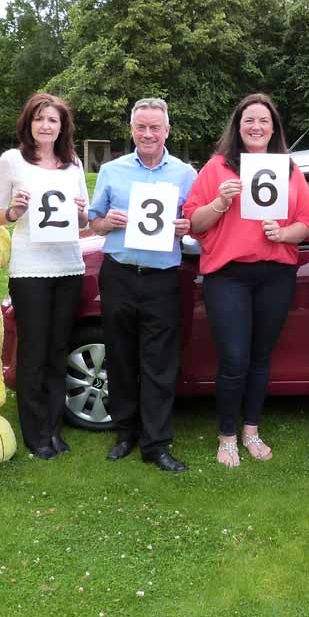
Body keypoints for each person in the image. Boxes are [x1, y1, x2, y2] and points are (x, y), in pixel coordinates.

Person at [184, 93, 309, 467]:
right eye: (249, 121)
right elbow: (194, 224)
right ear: (237, 128)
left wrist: (283, 233)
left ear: (274, 129)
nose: (256, 127)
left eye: (264, 121)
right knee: (234, 357)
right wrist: (220, 203)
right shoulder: (216, 168)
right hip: (228, 276)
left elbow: (306, 224)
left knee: (260, 358)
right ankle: (227, 436)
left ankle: (251, 429)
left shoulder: (288, 170)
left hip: (276, 274)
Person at [88, 98, 197, 473]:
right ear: (131, 129)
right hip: (119, 273)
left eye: (155, 127)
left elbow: (195, 224)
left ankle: (157, 443)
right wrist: (108, 222)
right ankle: (124, 434)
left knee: (159, 364)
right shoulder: (112, 170)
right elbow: (93, 222)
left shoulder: (185, 174)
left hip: (162, 278)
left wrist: (188, 226)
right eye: (141, 127)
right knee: (120, 357)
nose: (148, 134)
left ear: (167, 131)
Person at [0, 93, 89, 460]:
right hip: (31, 268)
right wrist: (12, 213)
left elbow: (85, 219)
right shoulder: (13, 161)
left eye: (53, 120)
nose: (46, 126)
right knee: (33, 350)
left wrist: (80, 213)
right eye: (40, 119)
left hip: (68, 266)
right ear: (29, 124)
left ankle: (54, 427)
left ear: (63, 127)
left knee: (58, 350)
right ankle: (35, 433)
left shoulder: (73, 165)